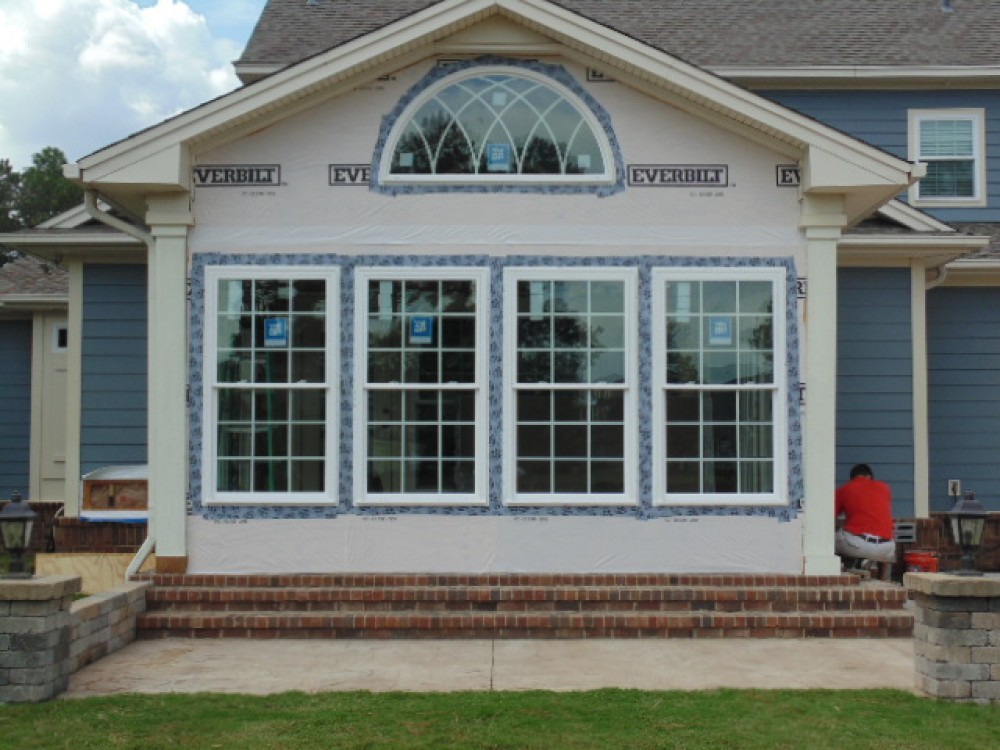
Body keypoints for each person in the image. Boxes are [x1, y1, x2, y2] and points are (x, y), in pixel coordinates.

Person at [834, 463, 896, 579]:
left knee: (830, 541)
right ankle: (885, 580)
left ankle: (850, 568)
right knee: (887, 541)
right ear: (870, 476)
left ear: (853, 478)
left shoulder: (846, 489)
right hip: (886, 549)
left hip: (859, 545)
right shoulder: (885, 488)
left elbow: (828, 517)